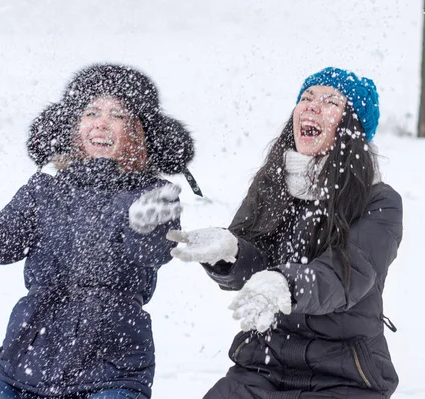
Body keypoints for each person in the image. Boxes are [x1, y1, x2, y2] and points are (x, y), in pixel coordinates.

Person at [0, 64, 197, 399]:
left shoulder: (154, 195)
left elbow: (153, 253)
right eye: (91, 112)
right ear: (74, 126)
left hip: (112, 371)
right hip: (24, 364)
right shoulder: (46, 187)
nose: (101, 122)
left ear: (138, 130)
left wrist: (143, 227)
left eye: (117, 115)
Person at [168, 67, 402, 398]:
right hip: (262, 365)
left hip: (345, 375)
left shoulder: (379, 201)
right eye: (306, 98)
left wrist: (285, 284)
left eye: (330, 102)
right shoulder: (272, 184)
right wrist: (230, 253)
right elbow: (254, 260)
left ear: (352, 128)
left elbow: (346, 274)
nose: (311, 106)